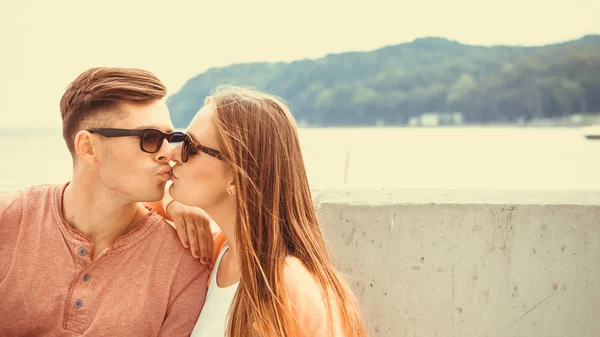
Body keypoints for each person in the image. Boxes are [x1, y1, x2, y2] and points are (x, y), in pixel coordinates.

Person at [0, 67, 210, 336]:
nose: (168, 153)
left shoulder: (185, 264)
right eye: (150, 138)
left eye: (170, 138)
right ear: (88, 147)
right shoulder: (8, 221)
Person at [162, 85, 367, 337]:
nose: (172, 153)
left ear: (236, 175)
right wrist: (171, 204)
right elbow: (124, 201)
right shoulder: (217, 253)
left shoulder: (289, 288)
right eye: (180, 139)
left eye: (189, 146)